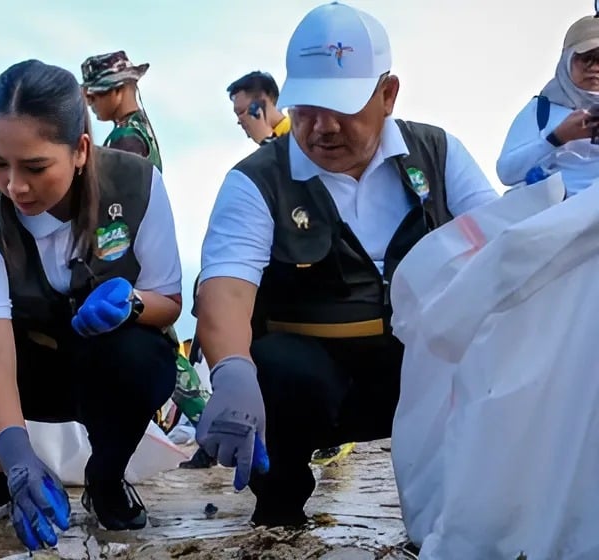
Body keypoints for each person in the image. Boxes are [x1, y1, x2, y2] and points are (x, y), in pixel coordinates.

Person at [194, 2, 499, 528]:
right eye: (308, 108)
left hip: (421, 366)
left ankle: (463, 508)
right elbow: (226, 287)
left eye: (344, 108)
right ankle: (280, 503)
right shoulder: (256, 180)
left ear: (387, 95)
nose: (323, 127)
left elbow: (502, 245)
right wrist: (231, 371)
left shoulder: (437, 153)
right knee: (271, 367)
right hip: (315, 374)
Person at [0, 60, 182, 550]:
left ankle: (106, 479)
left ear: (80, 150)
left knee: (143, 355)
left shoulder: (137, 185)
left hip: (101, 368)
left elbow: (170, 302)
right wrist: (17, 452)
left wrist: (131, 304)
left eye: (35, 167)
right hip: (23, 369)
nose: (14, 186)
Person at [497, 13, 599, 198]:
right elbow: (506, 172)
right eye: (586, 58)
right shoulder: (542, 110)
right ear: (567, 60)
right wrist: (557, 138)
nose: (594, 68)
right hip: (556, 220)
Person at [81, 51, 162, 171]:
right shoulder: (139, 129)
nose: (89, 103)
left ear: (117, 90)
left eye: (93, 96)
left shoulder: (127, 138)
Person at [227, 71, 291, 145]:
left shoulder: (295, 130)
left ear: (264, 98)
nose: (239, 120)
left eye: (241, 112)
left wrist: (266, 140)